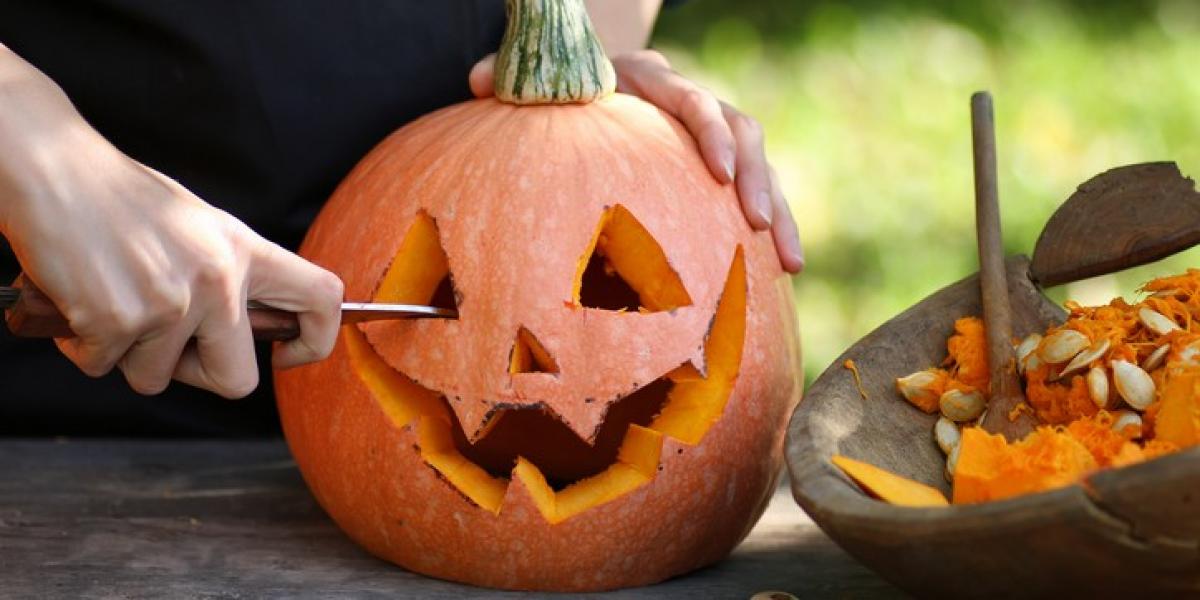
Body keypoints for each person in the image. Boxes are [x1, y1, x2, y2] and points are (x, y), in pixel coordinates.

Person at [0, 1, 802, 436]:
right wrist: (37, 146)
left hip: (345, 432)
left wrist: (584, 53)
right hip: (56, 430)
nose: (531, 355)